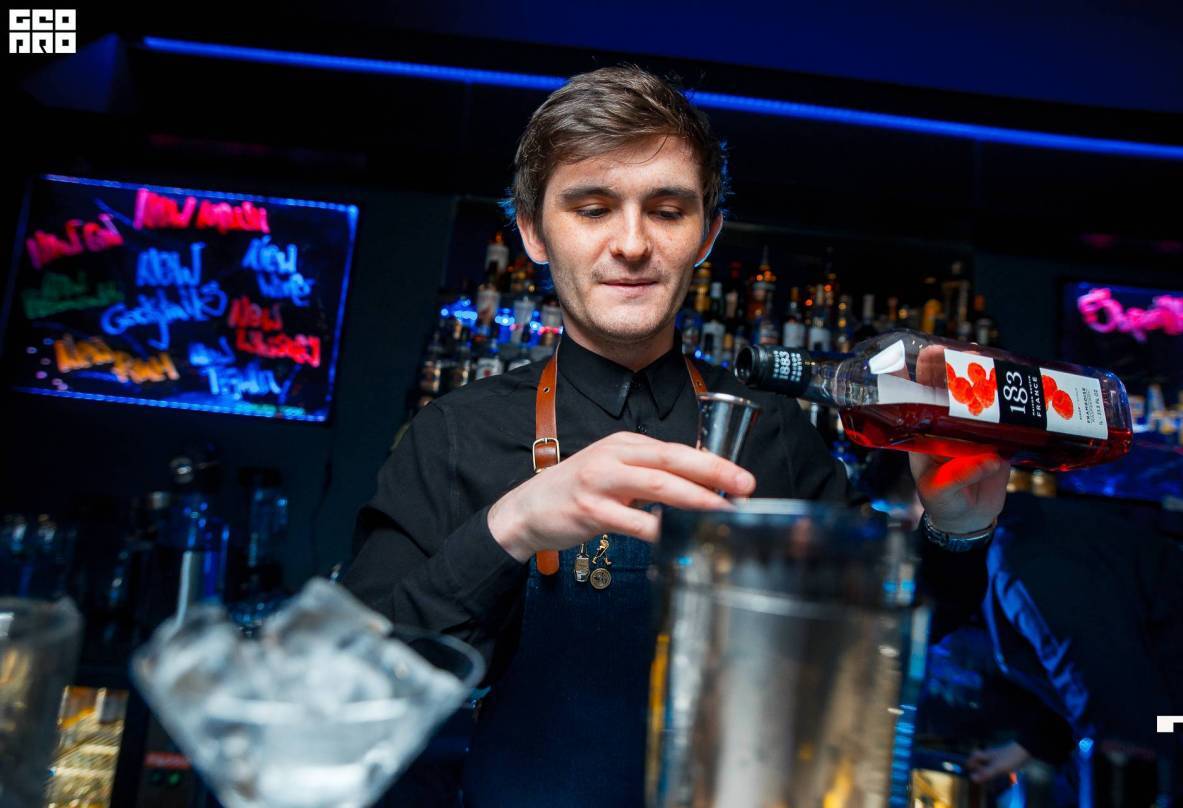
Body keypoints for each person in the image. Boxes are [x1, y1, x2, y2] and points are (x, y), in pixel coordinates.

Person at [343, 65, 1009, 807]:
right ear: (533, 232)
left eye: (666, 210)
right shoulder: (454, 434)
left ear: (706, 234)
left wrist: (957, 528)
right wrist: (514, 523)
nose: (632, 244)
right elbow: (358, 687)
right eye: (592, 208)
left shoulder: (773, 429)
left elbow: (882, 635)